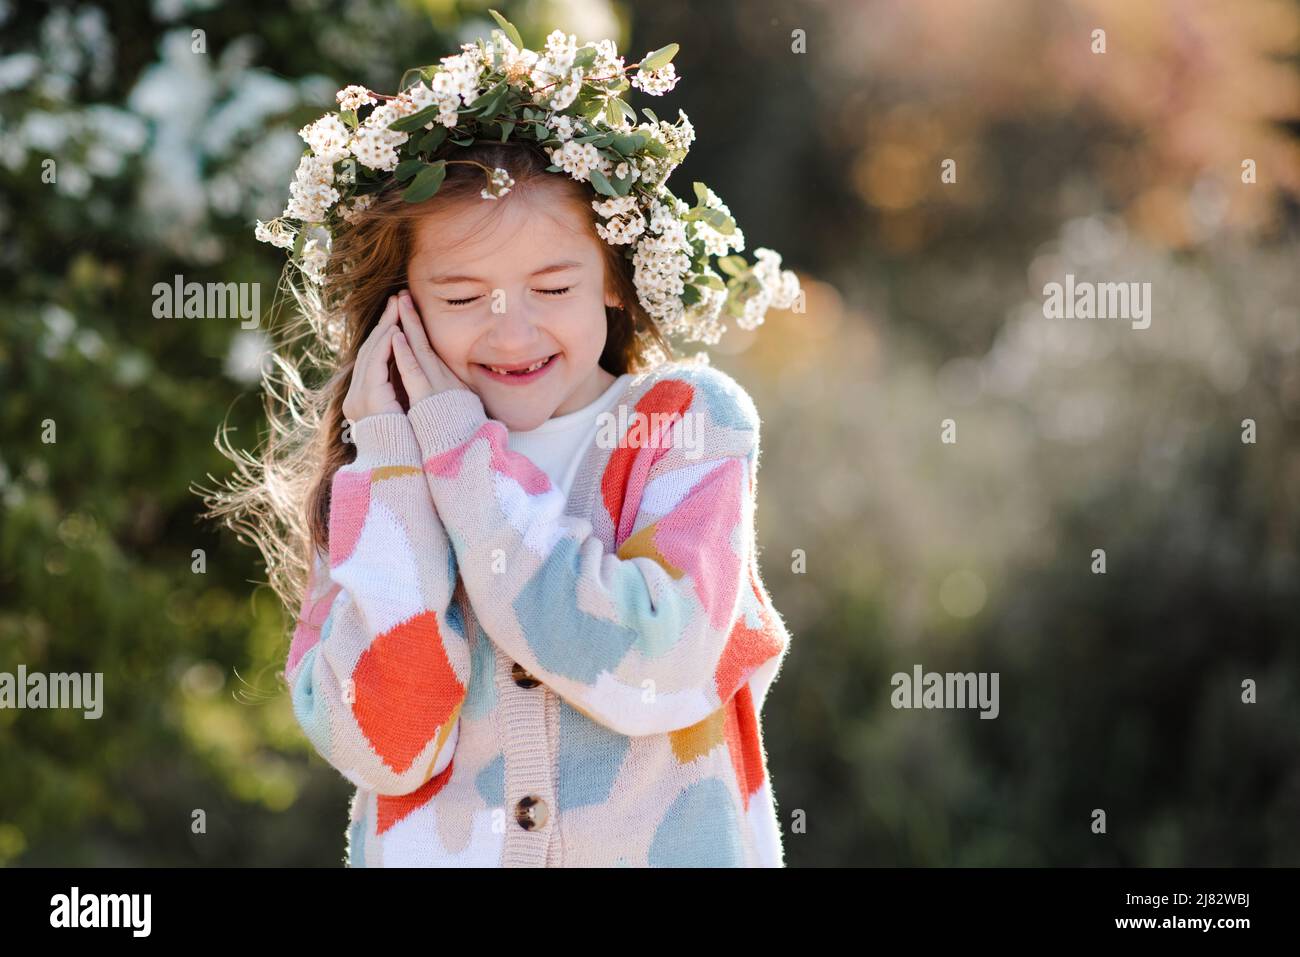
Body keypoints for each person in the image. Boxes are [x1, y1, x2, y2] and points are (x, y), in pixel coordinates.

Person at [225, 22, 802, 866]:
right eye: (461, 296)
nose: (512, 328)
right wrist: (395, 460)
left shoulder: (684, 425)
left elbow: (655, 667)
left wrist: (467, 466)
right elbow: (388, 744)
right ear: (402, 308)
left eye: (553, 285)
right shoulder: (382, 472)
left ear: (611, 275)